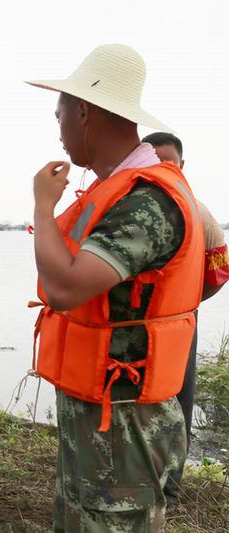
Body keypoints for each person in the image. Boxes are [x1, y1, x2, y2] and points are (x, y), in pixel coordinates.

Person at [27, 44, 204, 530]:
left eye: (59, 115)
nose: (58, 130)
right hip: (100, 406)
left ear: (83, 112)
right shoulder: (116, 189)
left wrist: (42, 207)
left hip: (126, 420)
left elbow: (65, 290)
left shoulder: (147, 200)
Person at [141, 131, 228, 502]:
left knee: (178, 398)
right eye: (153, 161)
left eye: (169, 162)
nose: (162, 169)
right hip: (134, 325)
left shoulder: (198, 211)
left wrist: (188, 302)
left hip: (178, 323)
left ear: (182, 165)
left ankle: (171, 486)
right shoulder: (130, 208)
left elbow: (219, 272)